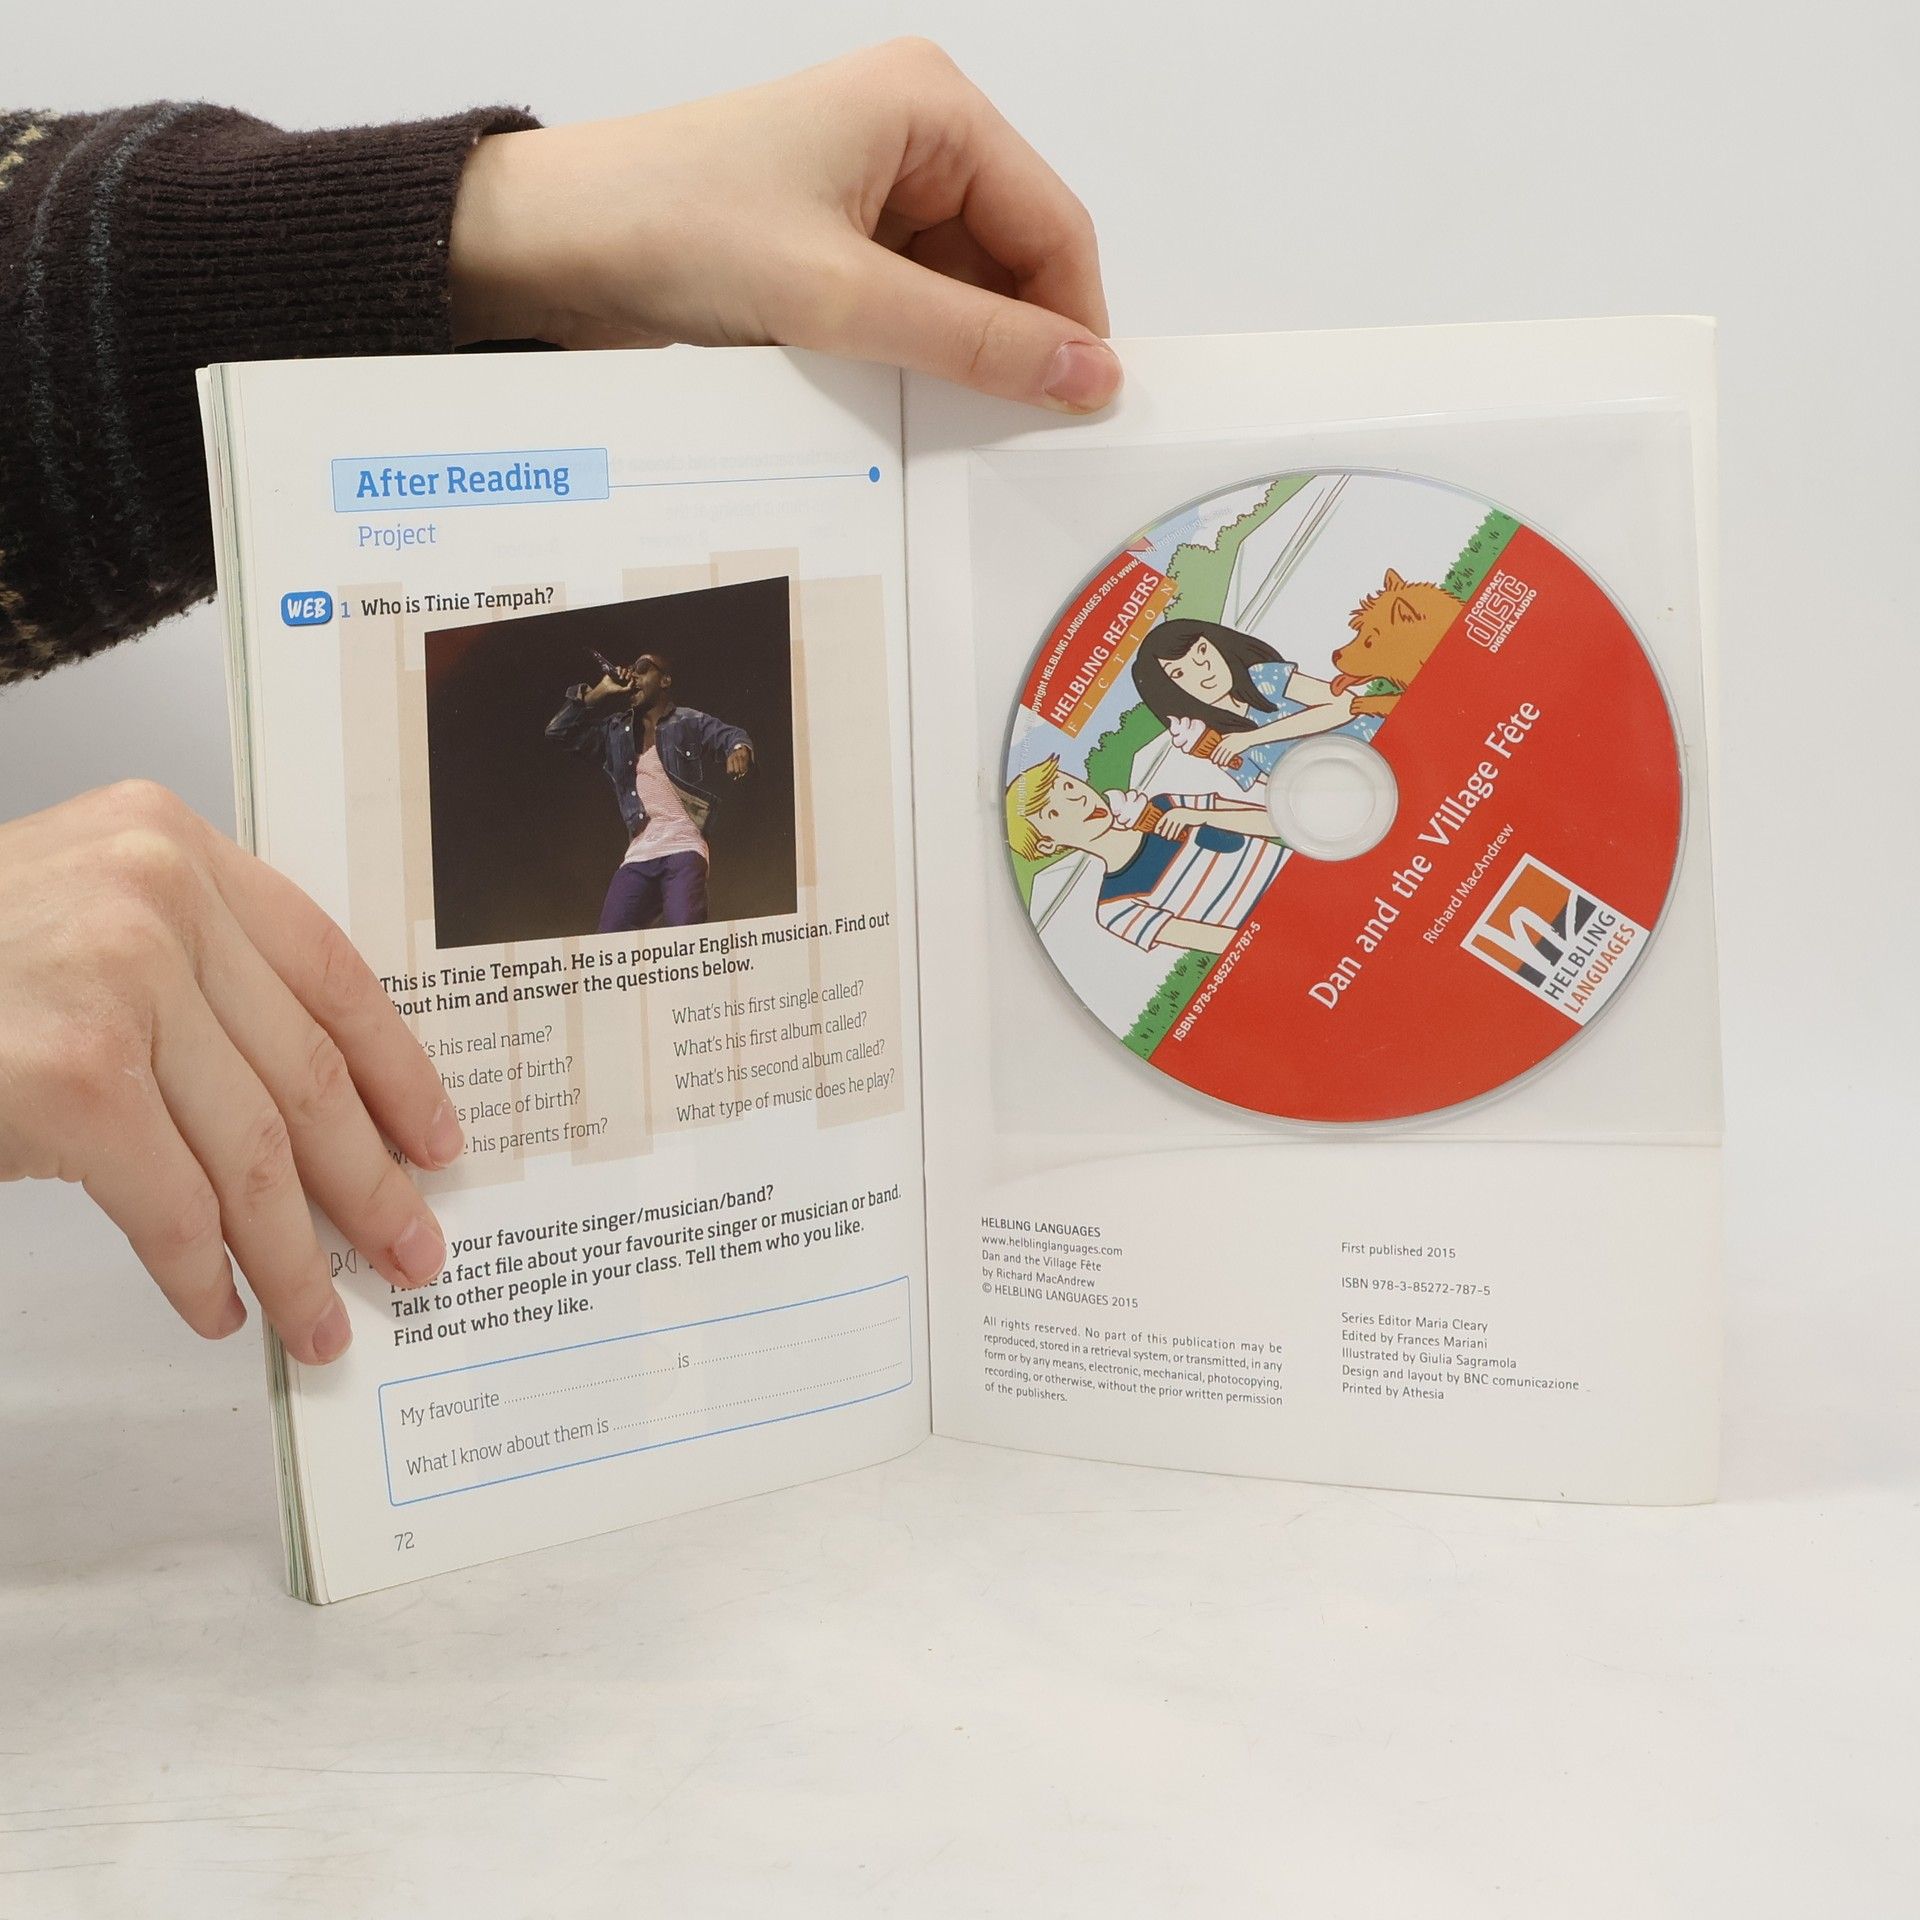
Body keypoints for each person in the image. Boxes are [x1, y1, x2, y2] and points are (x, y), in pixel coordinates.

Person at [0, 42, 1122, 1366]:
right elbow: (550, 736)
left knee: (686, 953)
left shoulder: (678, 726)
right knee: (613, 947)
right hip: (636, 870)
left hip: (685, 847)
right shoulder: (604, 729)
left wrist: (512, 221)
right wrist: (590, 698)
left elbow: (715, 733)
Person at [545, 651, 753, 931]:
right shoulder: (615, 731)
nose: (633, 674)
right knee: (608, 942)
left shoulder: (687, 720)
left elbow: (730, 735)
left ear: (665, 680)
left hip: (684, 845)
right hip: (639, 854)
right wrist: (600, 691)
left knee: (686, 937)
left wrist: (739, 749)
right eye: (631, 669)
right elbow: (558, 732)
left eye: (642, 668)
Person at [1004, 758, 1287, 956]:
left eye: (1068, 786)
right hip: (1278, 933)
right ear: (1047, 844)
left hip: (1304, 876)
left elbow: (1276, 823)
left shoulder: (1168, 805)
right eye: (1054, 812)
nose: (1077, 799)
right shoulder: (1115, 907)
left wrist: (1199, 816)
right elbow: (1226, 944)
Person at [1129, 618, 1376, 791]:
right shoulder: (1219, 742)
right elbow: (1279, 793)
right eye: (1179, 673)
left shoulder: (1262, 678)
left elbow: (1345, 705)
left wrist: (1251, 738)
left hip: (1380, 740)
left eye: (1202, 650)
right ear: (1172, 692)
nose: (1202, 668)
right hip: (1347, 792)